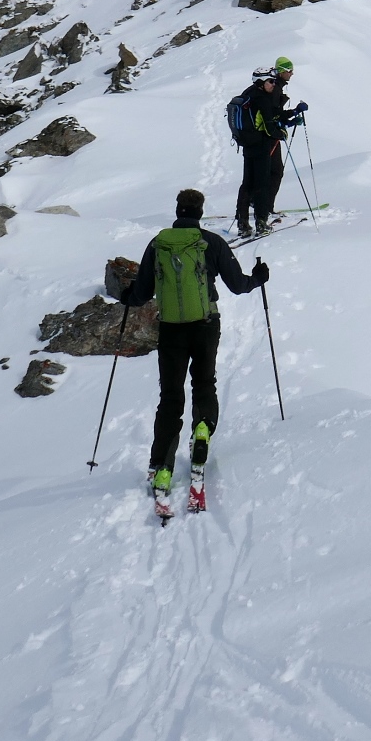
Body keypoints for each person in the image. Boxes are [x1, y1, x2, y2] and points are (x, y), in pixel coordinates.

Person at [117, 187, 269, 514]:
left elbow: (142, 292)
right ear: (200, 212)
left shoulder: (158, 243)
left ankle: (162, 466)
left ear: (177, 210)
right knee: (204, 385)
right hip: (205, 324)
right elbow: (238, 285)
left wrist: (127, 296)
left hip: (171, 328)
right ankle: (202, 431)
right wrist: (258, 278)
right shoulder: (211, 243)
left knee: (170, 397)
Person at [230, 56, 308, 237]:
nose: (273, 84)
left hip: (247, 144)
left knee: (247, 183)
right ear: (261, 82)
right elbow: (270, 123)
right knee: (262, 183)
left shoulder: (249, 93)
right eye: (270, 81)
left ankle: (242, 223)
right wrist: (282, 132)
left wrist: (290, 114)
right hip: (262, 145)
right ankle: (261, 222)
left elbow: (271, 116)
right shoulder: (263, 99)